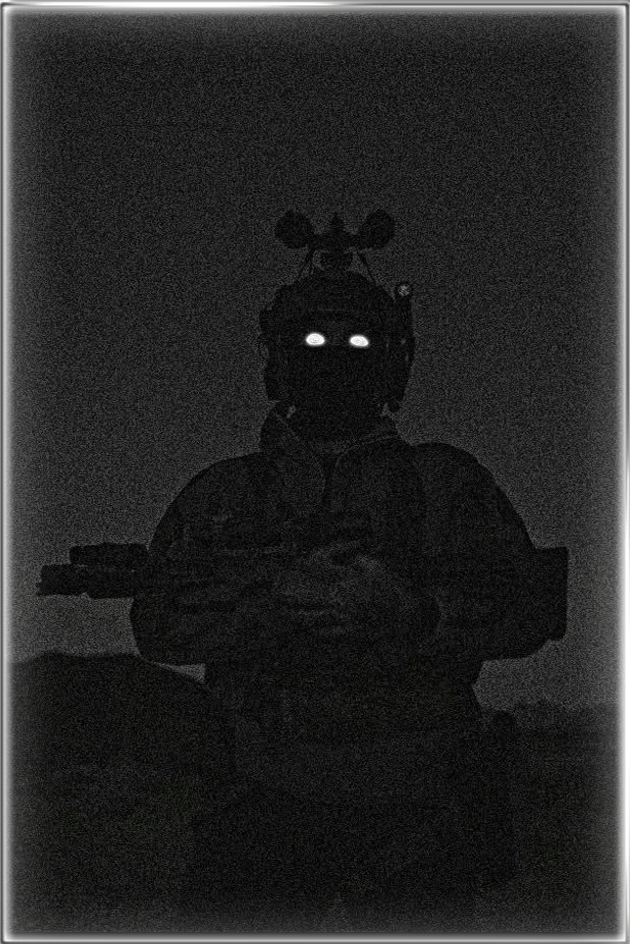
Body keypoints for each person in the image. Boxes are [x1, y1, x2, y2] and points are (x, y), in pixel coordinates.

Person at [130, 211, 567, 932]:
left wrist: (414, 613)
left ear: (391, 361)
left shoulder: (447, 485)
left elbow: (529, 609)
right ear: (278, 358)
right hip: (260, 802)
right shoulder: (224, 495)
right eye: (311, 340)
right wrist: (272, 604)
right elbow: (159, 623)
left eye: (357, 342)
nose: (333, 357)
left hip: (416, 808)